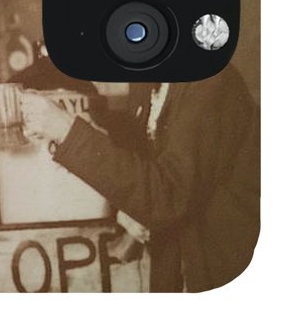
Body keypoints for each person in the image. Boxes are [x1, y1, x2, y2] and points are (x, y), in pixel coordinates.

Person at [20, 65, 259, 292]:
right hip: (178, 275)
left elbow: (167, 196)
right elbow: (142, 172)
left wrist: (66, 129)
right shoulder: (149, 82)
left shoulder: (210, 80)